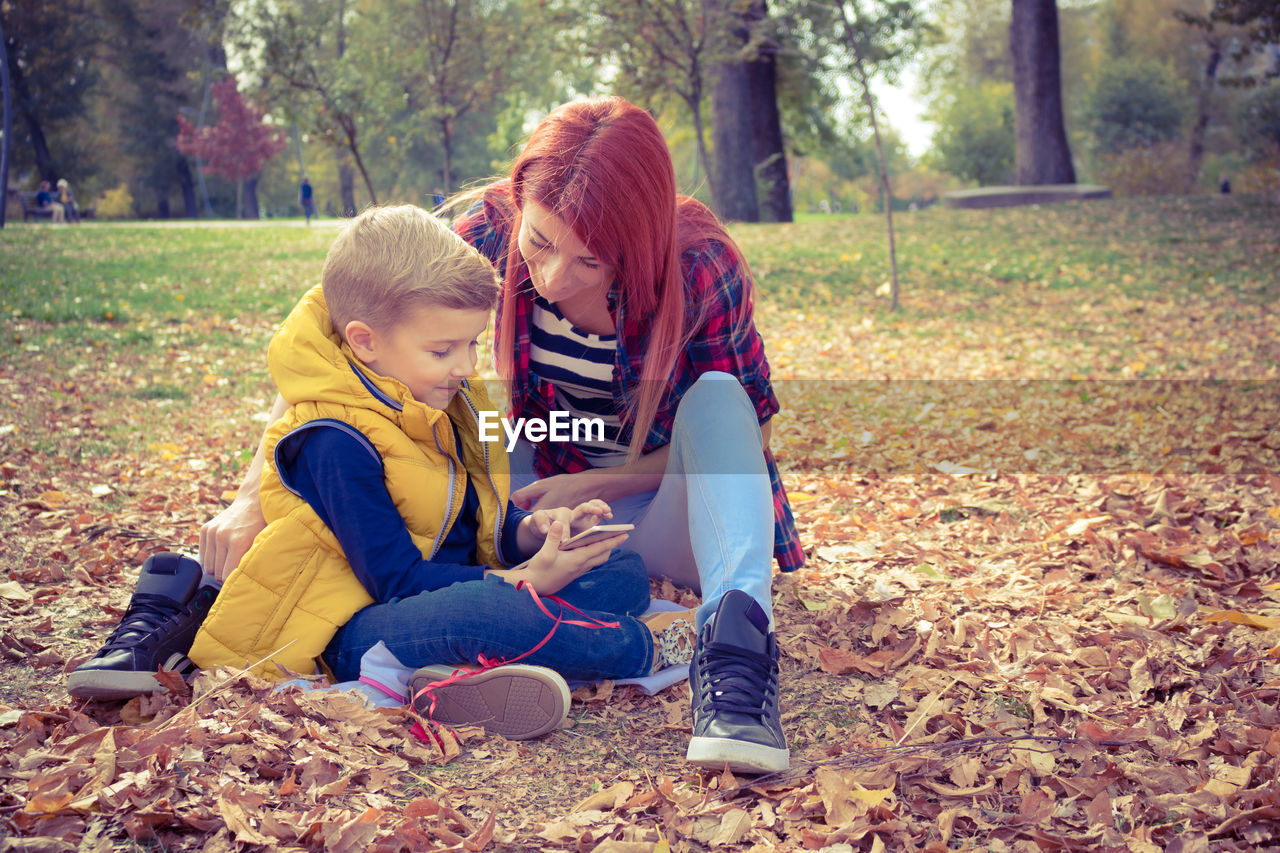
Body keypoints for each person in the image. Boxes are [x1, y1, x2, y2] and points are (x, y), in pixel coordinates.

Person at [202, 98, 802, 774]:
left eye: (591, 261)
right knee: (486, 429)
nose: (550, 278)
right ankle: (459, 651)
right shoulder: (486, 229)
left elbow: (748, 431)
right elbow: (335, 328)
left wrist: (603, 480)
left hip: (665, 503)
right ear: (519, 204)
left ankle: (736, 650)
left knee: (721, 401)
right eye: (540, 243)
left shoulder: (698, 265)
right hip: (531, 500)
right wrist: (253, 495)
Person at [68, 204, 699, 741]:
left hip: (435, 592)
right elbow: (395, 579)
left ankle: (449, 678)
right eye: (443, 349)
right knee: (492, 615)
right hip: (350, 624)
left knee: (615, 569)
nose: (464, 366)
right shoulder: (334, 440)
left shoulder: (432, 398)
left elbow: (475, 523)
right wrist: (522, 580)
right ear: (367, 342)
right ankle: (652, 649)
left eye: (473, 344)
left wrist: (538, 535)